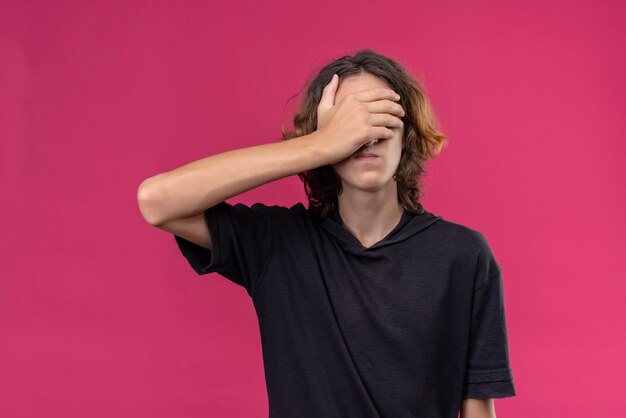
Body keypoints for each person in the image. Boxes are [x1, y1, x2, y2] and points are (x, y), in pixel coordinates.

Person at [137, 49, 516, 418]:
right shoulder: (277, 244)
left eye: (380, 116)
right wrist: (322, 144)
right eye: (350, 121)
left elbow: (478, 407)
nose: (367, 135)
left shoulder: (464, 255)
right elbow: (157, 200)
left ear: (407, 135)